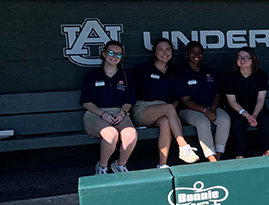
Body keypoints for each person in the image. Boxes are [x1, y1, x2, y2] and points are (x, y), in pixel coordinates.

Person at [131, 38, 200, 168]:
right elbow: (131, 93)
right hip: (143, 109)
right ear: (155, 53)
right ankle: (183, 146)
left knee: (165, 122)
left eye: (168, 49)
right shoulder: (143, 69)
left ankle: (162, 164)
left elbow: (178, 97)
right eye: (160, 49)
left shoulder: (174, 72)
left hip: (166, 111)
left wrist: (170, 110)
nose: (165, 53)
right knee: (167, 109)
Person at [80, 40, 138, 175]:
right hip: (95, 114)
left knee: (131, 135)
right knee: (111, 135)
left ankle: (120, 165)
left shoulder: (126, 75)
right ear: (104, 54)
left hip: (119, 112)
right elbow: (86, 102)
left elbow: (129, 100)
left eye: (119, 54)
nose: (114, 56)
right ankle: (102, 167)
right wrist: (102, 114)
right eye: (111, 53)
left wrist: (122, 113)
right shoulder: (92, 75)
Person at [176, 41, 230, 161]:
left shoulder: (209, 71)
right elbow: (185, 101)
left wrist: (213, 108)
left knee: (224, 119)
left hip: (211, 107)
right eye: (193, 52)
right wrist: (205, 111)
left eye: (200, 52)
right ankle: (212, 158)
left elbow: (217, 94)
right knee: (202, 122)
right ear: (186, 54)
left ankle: (219, 154)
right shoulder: (181, 73)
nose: (197, 55)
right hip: (189, 110)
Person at [225, 47, 269, 158]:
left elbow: (261, 99)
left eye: (246, 57)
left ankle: (267, 151)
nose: (242, 60)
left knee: (264, 119)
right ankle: (240, 154)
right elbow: (232, 101)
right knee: (238, 122)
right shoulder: (230, 76)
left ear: (253, 60)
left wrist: (254, 115)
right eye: (239, 57)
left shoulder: (261, 75)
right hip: (237, 108)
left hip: (256, 107)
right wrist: (245, 114)